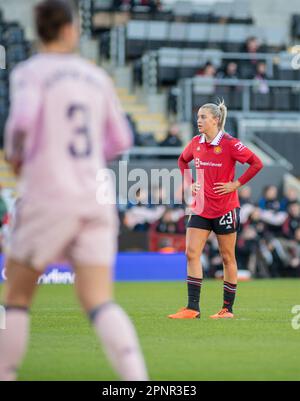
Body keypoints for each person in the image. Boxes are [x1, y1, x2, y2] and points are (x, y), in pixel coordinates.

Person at [0, 0, 148, 381]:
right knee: (99, 300)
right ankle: (138, 382)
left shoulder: (30, 72)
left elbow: (21, 121)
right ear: (70, 29)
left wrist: (16, 155)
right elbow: (120, 139)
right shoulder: (94, 75)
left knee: (15, 299)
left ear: (40, 30)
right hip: (95, 196)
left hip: (49, 194)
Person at [168, 99, 263, 320]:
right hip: (201, 208)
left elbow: (257, 163)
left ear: (215, 120)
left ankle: (227, 309)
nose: (198, 120)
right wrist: (189, 181)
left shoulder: (230, 143)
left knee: (227, 257)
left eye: (203, 117)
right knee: (191, 253)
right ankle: (192, 308)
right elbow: (182, 161)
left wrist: (236, 184)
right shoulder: (195, 142)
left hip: (225, 209)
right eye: (198, 117)